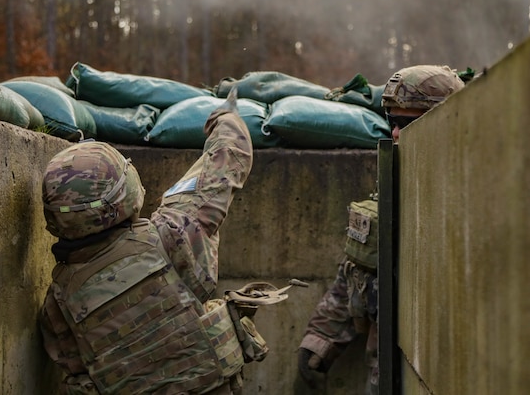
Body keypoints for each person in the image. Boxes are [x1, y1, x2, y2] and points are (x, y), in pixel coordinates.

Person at [38, 88, 254, 394]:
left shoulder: (57, 303)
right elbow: (227, 160)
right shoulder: (171, 235)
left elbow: (80, 377)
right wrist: (226, 117)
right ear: (123, 193)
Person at [297, 65, 466, 394]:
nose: (397, 134)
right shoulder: (396, 184)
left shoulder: (468, 198)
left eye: (410, 123)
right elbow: (357, 269)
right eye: (393, 122)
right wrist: (319, 344)